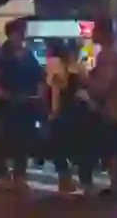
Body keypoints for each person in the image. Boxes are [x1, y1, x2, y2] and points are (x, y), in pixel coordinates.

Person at [0, 19, 43, 190]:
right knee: (2, 139)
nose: (20, 37)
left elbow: (38, 76)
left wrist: (38, 95)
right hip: (5, 102)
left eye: (22, 33)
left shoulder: (28, 54)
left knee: (23, 139)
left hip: (25, 102)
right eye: (17, 33)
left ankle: (19, 175)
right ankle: (3, 174)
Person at [85, 17, 117, 197]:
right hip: (114, 108)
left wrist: (87, 81)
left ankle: (116, 183)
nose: (92, 34)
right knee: (112, 146)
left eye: (95, 31)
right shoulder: (113, 53)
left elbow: (106, 83)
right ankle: (115, 182)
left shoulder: (110, 54)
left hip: (111, 108)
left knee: (112, 145)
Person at [47, 41, 93, 194]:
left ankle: (66, 180)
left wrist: (53, 112)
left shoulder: (62, 71)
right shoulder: (77, 69)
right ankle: (79, 181)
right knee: (79, 147)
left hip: (70, 112)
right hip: (76, 112)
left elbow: (56, 93)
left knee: (61, 146)